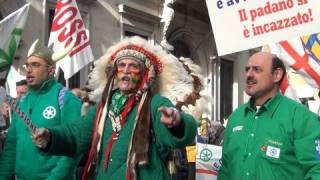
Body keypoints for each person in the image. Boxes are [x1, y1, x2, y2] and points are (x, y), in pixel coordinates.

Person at [32, 36, 198, 180]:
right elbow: (77, 134)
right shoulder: (104, 106)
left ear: (144, 73)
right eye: (122, 65)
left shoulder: (154, 103)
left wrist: (176, 122)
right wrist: (51, 137)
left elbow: (184, 131)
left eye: (133, 66)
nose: (126, 71)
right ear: (115, 72)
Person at [218, 52, 320, 180]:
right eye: (247, 69)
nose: (249, 74)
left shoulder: (302, 118)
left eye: (257, 69)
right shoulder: (236, 118)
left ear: (277, 75)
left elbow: (316, 170)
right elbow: (226, 169)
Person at [0, 39, 82, 179]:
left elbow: (75, 145)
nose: (29, 70)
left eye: (35, 65)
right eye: (27, 65)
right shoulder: (22, 102)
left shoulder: (66, 99)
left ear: (51, 70)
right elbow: (11, 145)